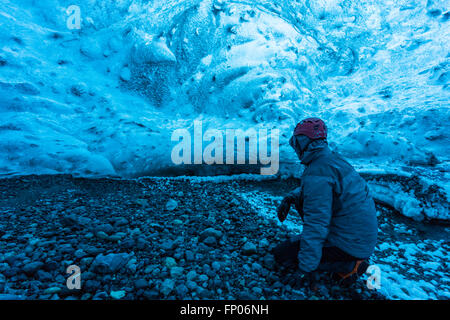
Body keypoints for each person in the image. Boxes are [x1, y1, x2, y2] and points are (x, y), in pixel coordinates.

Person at [274, 118, 378, 288]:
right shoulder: (330, 159)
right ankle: (348, 256)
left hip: (350, 243)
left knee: (282, 255)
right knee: (296, 244)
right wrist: (291, 196)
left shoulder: (317, 170)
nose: (295, 148)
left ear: (304, 142)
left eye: (297, 142)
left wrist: (305, 269)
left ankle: (352, 265)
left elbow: (316, 223)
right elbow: (323, 192)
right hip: (359, 238)